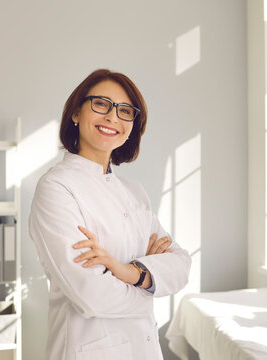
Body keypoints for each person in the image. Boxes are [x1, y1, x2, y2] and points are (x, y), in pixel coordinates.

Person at [29, 69, 191, 360]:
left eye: (125, 110)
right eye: (101, 104)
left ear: (132, 125)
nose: (113, 117)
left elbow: (180, 265)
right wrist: (151, 283)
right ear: (76, 113)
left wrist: (128, 271)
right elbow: (92, 297)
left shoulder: (134, 191)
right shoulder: (56, 188)